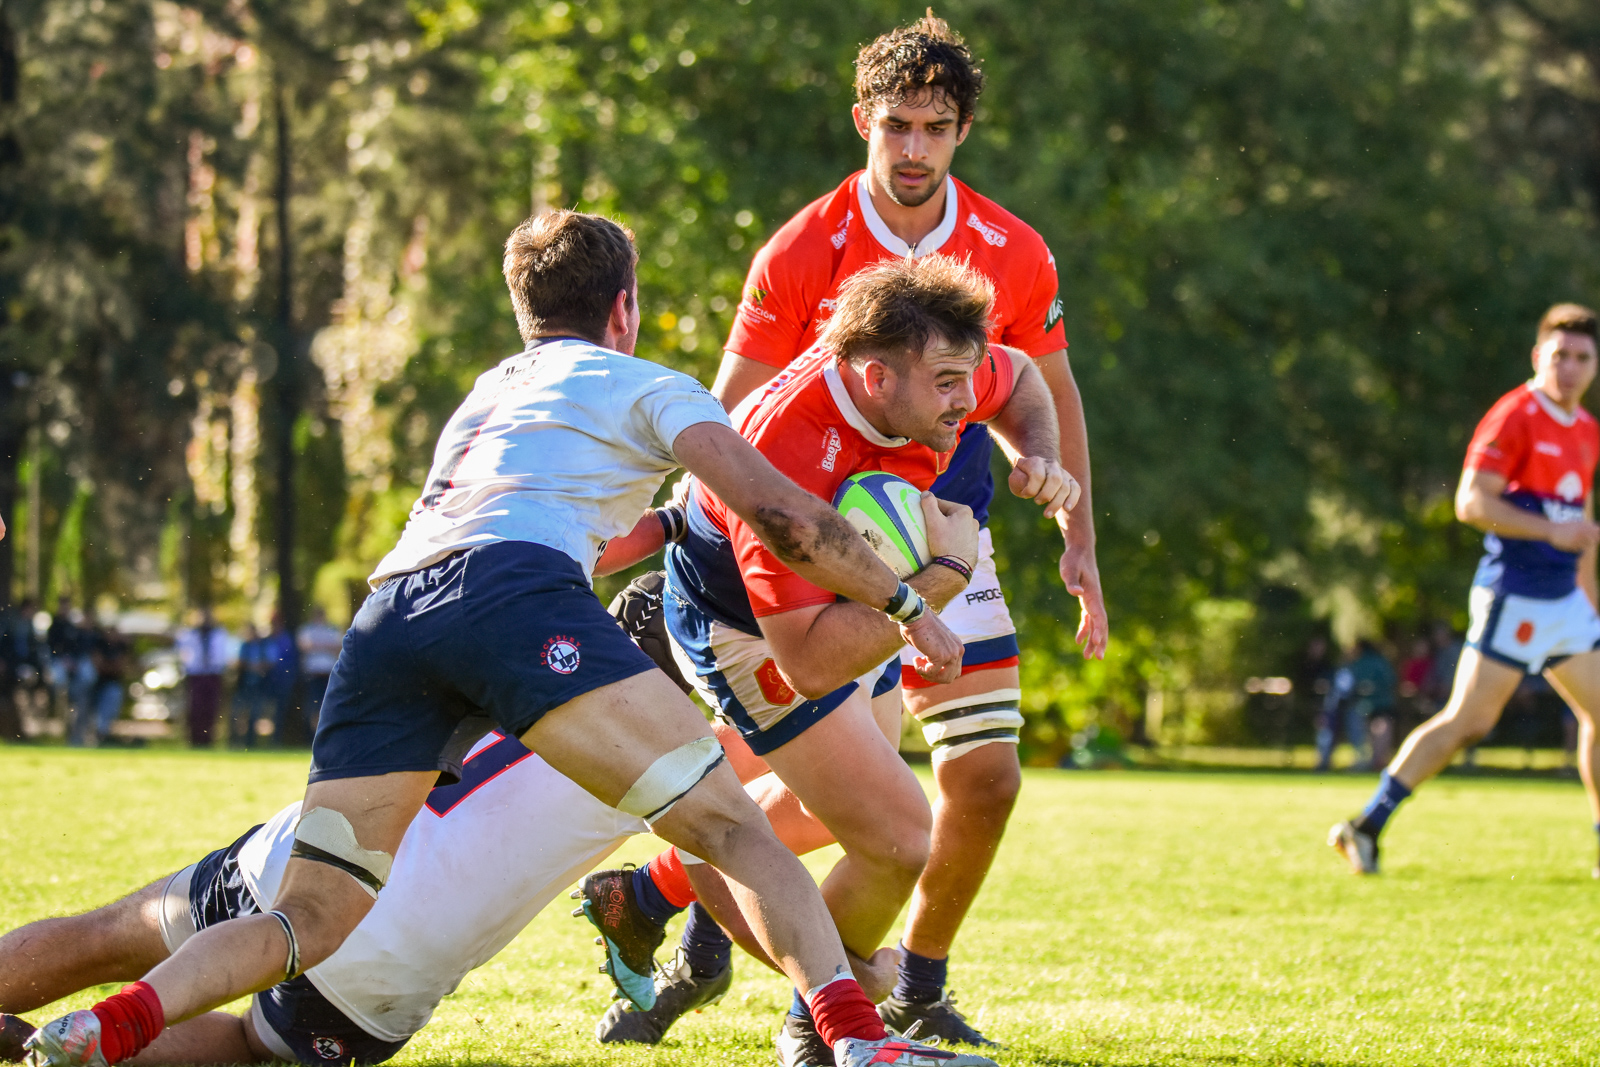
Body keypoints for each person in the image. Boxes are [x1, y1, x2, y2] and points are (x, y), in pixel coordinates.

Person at [22, 210, 989, 1067]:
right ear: (625, 309)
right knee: (732, 825)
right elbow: (786, 520)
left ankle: (123, 1021)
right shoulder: (648, 384)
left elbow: (584, 530)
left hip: (393, 611)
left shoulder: (489, 394)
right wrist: (914, 603)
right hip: (512, 595)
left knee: (311, 912)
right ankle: (859, 1040)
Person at [689, 15, 1106, 1045]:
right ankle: (707, 888)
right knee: (850, 801)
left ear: (963, 131)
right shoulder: (802, 246)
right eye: (895, 125)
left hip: (954, 529)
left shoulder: (1012, 249)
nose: (913, 148)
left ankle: (907, 982)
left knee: (984, 777)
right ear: (862, 123)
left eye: (935, 126)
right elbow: (726, 416)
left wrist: (1077, 532)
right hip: (817, 547)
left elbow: (1040, 387)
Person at [592, 254, 1076, 1062]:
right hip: (746, 628)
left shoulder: (935, 363)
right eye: (950, 383)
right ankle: (824, 1021)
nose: (967, 399)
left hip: (863, 597)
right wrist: (941, 582)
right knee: (897, 838)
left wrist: (1043, 454)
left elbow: (1022, 377)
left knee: (836, 811)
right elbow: (812, 663)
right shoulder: (787, 450)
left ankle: (666, 882)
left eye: (967, 377)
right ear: (876, 376)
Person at [0, 733, 647, 1066]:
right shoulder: (682, 742)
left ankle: (48, 1028)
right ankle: (40, 1045)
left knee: (108, 934)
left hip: (307, 855)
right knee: (251, 1044)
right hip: (387, 968)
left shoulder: (531, 637)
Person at [1330, 303, 1600, 875]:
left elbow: (1582, 526)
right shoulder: (1516, 414)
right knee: (1468, 723)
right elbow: (1471, 503)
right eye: (1560, 356)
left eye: (1582, 357)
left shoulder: (1587, 432)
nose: (1570, 368)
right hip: (1514, 597)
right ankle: (1366, 825)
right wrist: (1552, 529)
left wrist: (1590, 598)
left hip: (1565, 605)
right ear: (1538, 357)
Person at [174, 608, 231, 749]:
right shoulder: (188, 635)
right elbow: (182, 654)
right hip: (196, 675)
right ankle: (195, 739)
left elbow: (223, 655)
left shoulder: (219, 635)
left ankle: (208, 740)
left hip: (213, 674)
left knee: (211, 709)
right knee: (195, 708)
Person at [294, 607, 342, 736]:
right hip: (312, 674)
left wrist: (316, 646)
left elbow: (339, 647)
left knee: (327, 705)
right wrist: (326, 646)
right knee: (313, 706)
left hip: (328, 674)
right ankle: (311, 735)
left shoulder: (332, 629)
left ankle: (325, 734)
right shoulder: (307, 629)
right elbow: (304, 646)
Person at [88, 624, 131, 747]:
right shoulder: (100, 645)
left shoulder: (121, 647)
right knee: (95, 713)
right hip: (97, 684)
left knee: (109, 711)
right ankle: (96, 736)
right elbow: (98, 665)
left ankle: (102, 736)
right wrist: (111, 667)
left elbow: (123, 666)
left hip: (113, 684)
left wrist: (109, 666)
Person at [232, 624, 271, 749]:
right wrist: (252, 667)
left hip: (259, 685)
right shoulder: (244, 645)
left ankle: (251, 742)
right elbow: (239, 663)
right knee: (239, 714)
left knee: (255, 713)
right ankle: (237, 741)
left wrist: (256, 667)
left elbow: (270, 662)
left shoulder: (264, 645)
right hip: (244, 684)